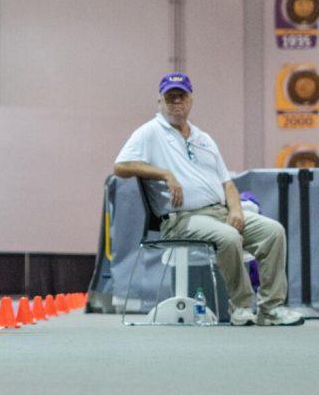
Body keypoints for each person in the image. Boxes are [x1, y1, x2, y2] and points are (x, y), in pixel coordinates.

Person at [114, 72, 303, 326]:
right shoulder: (150, 132)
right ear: (159, 101)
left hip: (219, 212)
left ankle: (271, 309)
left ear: (191, 100)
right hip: (181, 218)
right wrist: (165, 173)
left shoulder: (203, 138)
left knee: (273, 231)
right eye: (170, 97)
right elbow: (121, 166)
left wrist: (235, 209)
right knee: (228, 236)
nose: (176, 102)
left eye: (181, 96)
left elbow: (227, 183)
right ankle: (242, 307)